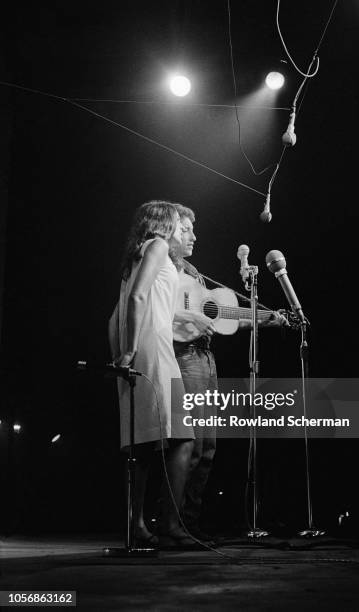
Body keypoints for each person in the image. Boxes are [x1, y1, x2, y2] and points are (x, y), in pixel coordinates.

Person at [172, 204, 288, 540]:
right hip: (186, 356)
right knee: (189, 446)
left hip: (207, 358)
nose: (194, 235)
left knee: (207, 449)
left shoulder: (191, 271)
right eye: (186, 229)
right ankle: (173, 524)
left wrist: (268, 319)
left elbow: (223, 315)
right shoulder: (162, 266)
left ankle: (189, 526)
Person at [109, 200, 196, 549]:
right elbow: (138, 299)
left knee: (143, 442)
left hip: (141, 349)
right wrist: (130, 350)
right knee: (181, 438)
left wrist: (119, 355)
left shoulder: (137, 255)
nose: (184, 229)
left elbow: (113, 316)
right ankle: (171, 525)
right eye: (179, 223)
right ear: (164, 223)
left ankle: (138, 524)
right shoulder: (158, 245)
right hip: (153, 351)